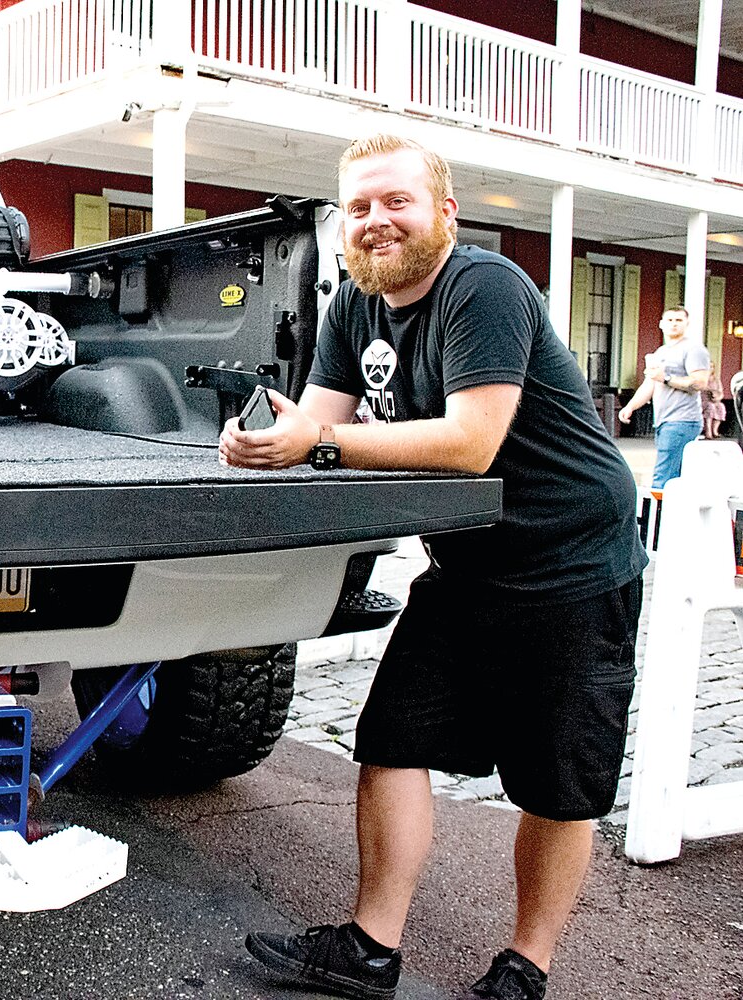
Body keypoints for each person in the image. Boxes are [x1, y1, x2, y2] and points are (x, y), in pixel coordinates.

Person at [220, 134, 645, 1000]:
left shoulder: (483, 286)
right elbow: (316, 425)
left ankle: (527, 967)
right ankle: (370, 948)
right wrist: (263, 442)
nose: (376, 221)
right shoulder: (353, 308)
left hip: (572, 560)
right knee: (392, 740)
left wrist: (320, 440)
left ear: (444, 213)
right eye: (359, 207)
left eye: (396, 201)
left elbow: (471, 440)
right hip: (467, 565)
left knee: (558, 783)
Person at [617, 307, 711, 488]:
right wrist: (630, 407)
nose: (674, 324)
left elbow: (700, 382)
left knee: (664, 476)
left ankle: (658, 514)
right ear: (661, 324)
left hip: (682, 420)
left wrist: (666, 378)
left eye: (679, 320)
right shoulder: (661, 352)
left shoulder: (694, 349)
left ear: (687, 324)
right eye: (670, 320)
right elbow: (650, 385)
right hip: (664, 420)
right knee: (674, 474)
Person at [701, 371, 726, 440]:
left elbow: (721, 392)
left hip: (715, 400)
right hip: (703, 401)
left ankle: (715, 431)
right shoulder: (702, 379)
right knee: (710, 407)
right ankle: (708, 432)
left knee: (721, 407)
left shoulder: (716, 380)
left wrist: (718, 398)